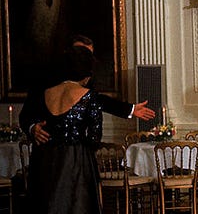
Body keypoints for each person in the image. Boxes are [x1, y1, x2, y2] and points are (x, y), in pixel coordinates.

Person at [21, 46, 111, 214]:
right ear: (87, 74)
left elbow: (30, 117)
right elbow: (94, 138)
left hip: (45, 162)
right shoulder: (89, 97)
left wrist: (35, 129)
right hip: (75, 164)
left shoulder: (45, 92)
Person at [20, 34, 156, 144]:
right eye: (81, 53)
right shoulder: (44, 77)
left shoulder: (86, 77)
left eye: (89, 55)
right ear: (68, 53)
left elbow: (97, 100)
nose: (85, 60)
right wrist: (32, 128)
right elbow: (26, 114)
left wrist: (130, 109)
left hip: (75, 158)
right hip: (46, 156)